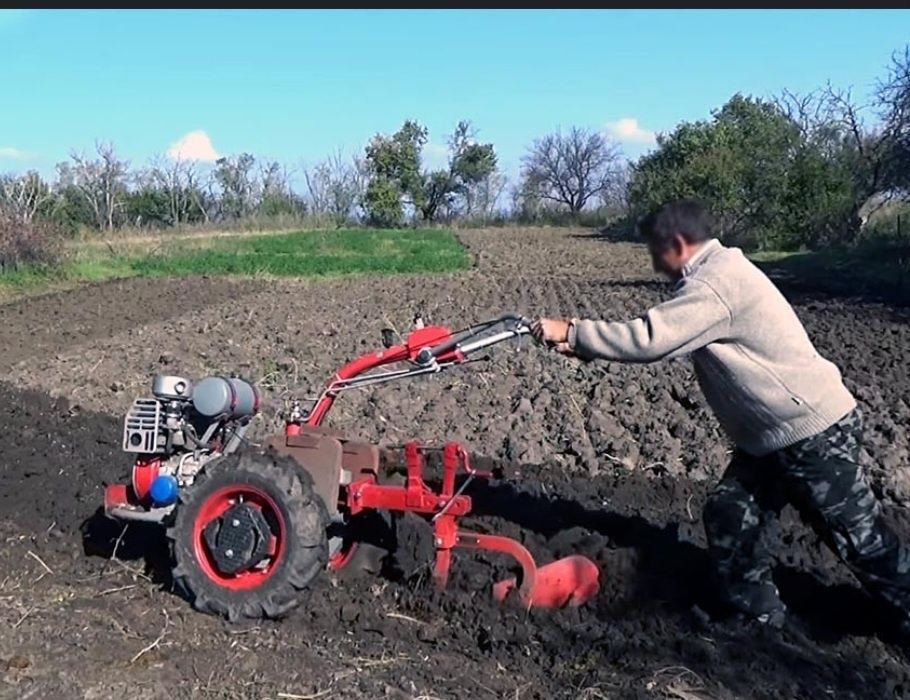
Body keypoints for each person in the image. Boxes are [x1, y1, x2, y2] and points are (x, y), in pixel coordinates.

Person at [530, 198, 910, 632]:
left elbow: (651, 339)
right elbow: (672, 344)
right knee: (730, 513)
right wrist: (584, 346)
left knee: (856, 537)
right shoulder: (716, 276)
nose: (656, 265)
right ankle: (759, 616)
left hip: (812, 431)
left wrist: (575, 331)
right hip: (773, 436)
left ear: (677, 243)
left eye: (656, 252)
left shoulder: (716, 282)